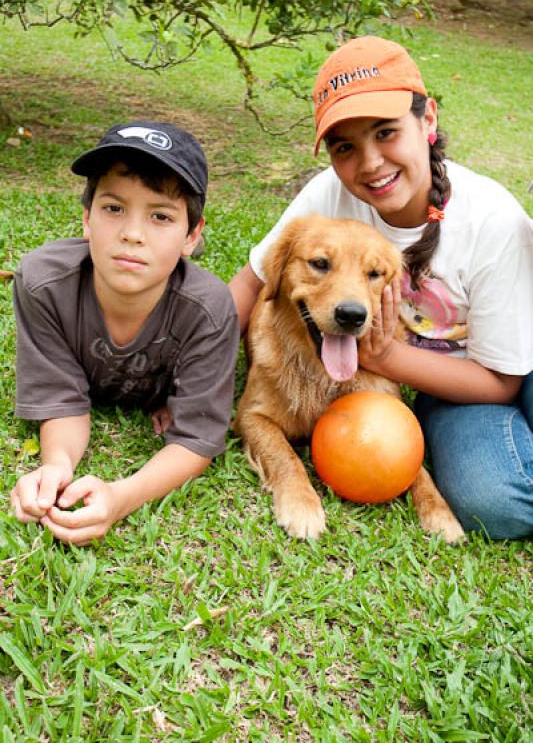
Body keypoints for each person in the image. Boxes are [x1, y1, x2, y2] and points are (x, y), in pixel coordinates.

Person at [230, 36, 533, 540]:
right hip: (451, 390)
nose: (370, 164)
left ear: (427, 121)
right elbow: (252, 283)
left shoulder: (494, 219)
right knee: (500, 504)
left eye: (387, 132)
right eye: (345, 146)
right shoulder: (328, 196)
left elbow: (504, 379)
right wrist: (186, 373)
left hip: (510, 361)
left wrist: (384, 357)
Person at [10, 121, 240, 545]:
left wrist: (121, 497)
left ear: (192, 235)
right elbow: (62, 399)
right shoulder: (42, 284)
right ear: (86, 218)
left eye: (160, 216)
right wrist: (56, 468)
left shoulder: (209, 310)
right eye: (113, 208)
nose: (132, 234)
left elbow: (196, 439)